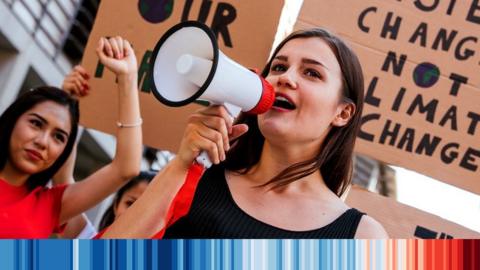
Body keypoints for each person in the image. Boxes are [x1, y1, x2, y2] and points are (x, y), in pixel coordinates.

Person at [103, 28, 388, 238]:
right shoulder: (197, 178)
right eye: (279, 67)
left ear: (342, 113)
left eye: (312, 73)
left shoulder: (362, 237)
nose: (285, 78)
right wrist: (181, 165)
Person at [0, 36, 142, 238]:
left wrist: (127, 78)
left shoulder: (52, 205)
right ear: (13, 119)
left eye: (58, 137)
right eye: (36, 123)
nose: (42, 142)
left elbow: (125, 168)